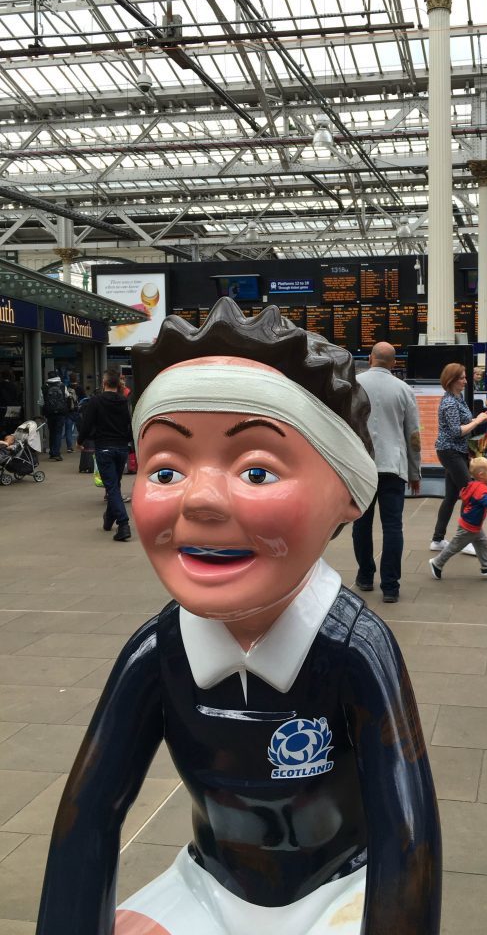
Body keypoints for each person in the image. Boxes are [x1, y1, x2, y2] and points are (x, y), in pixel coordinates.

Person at [37, 300, 441, 935]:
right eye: (166, 469)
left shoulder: (354, 649)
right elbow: (89, 812)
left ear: (346, 493)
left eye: (257, 470)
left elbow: (407, 833)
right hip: (208, 887)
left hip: (343, 887)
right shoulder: (158, 652)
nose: (199, 500)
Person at [352, 341, 421, 604]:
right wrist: (415, 472)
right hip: (393, 466)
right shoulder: (404, 390)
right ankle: (390, 586)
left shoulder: (354, 385)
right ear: (393, 363)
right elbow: (413, 435)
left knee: (362, 523)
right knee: (393, 526)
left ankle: (365, 576)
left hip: (362, 466)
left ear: (370, 358)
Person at [429, 363, 487, 552]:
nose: (465, 380)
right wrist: (478, 421)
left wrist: (477, 418)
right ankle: (464, 540)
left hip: (456, 451)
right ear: (452, 380)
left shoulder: (458, 398)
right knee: (470, 494)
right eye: (462, 378)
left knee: (451, 496)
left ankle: (438, 540)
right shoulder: (449, 403)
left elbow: (463, 424)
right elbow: (457, 432)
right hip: (450, 451)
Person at [77, 369, 133, 541]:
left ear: (104, 383)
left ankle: (123, 524)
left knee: (112, 487)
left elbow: (87, 423)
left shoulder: (96, 401)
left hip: (104, 448)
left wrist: (80, 440)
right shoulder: (123, 401)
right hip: (121, 448)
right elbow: (128, 424)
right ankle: (108, 519)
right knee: (114, 484)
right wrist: (131, 444)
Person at [429, 456, 487, 579]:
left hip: (473, 524)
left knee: (483, 542)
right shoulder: (481, 490)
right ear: (481, 475)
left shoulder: (472, 484)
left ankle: (486, 566)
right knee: (454, 546)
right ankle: (437, 563)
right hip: (469, 527)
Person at [42, 371, 67, 460]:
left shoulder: (44, 387)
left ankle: (52, 452)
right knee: (58, 433)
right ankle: (56, 453)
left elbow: (40, 402)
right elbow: (66, 396)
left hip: (49, 413)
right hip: (61, 413)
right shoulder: (62, 385)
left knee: (52, 432)